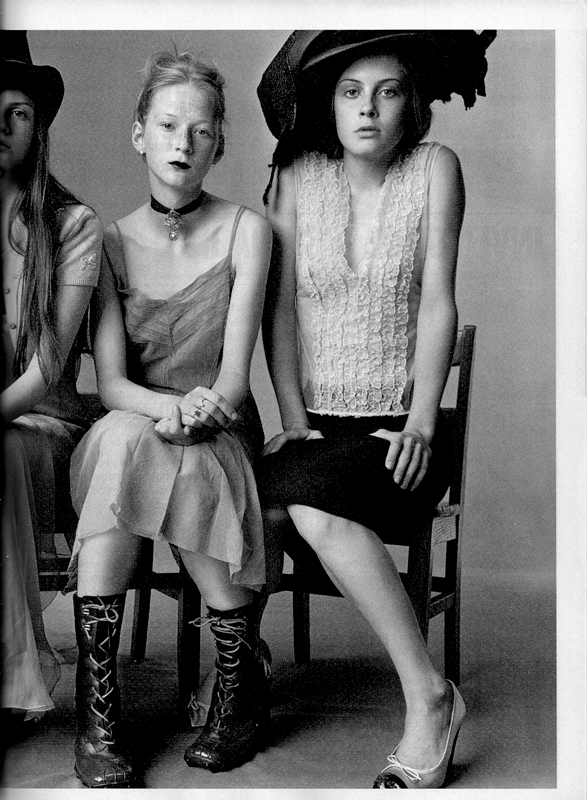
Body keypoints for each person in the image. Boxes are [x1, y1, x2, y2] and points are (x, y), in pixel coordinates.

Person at [257, 30, 495, 789]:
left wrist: (422, 420)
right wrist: (291, 415)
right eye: (350, 92)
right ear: (327, 104)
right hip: (317, 429)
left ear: (411, 103)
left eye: (387, 91)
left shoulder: (435, 168)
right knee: (239, 489)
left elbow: (438, 302)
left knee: (307, 504)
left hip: (399, 432)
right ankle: (243, 671)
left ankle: (429, 697)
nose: (368, 109)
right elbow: (278, 310)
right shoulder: (298, 176)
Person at [66, 48, 272, 788]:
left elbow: (234, 379)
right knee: (127, 438)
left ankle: (236, 692)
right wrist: (168, 410)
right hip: (134, 421)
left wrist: (197, 411)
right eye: (167, 125)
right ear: (139, 135)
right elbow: (113, 385)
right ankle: (101, 715)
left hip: (218, 429)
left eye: (201, 130)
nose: (183, 143)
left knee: (165, 451)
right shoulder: (109, 241)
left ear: (219, 144)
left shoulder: (247, 230)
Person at [1, 32, 102, 730]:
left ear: (39, 128)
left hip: (45, 423)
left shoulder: (71, 225)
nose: (3, 126)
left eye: (19, 112)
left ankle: (14, 677)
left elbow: (43, 373)